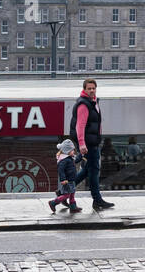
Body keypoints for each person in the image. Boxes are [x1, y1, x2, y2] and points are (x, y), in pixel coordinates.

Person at [73, 78, 115, 211]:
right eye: (89, 88)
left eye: (93, 88)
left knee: (87, 171)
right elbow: (80, 125)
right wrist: (81, 144)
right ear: (84, 89)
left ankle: (62, 192)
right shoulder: (84, 105)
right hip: (89, 144)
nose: (91, 90)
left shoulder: (93, 102)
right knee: (94, 170)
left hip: (93, 141)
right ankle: (97, 200)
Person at [49, 139, 84, 213]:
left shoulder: (70, 158)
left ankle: (73, 206)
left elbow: (77, 159)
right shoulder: (64, 160)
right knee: (67, 194)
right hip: (67, 181)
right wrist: (63, 179)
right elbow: (61, 171)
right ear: (66, 151)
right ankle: (53, 202)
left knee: (72, 192)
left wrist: (82, 154)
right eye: (72, 150)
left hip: (71, 180)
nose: (74, 151)